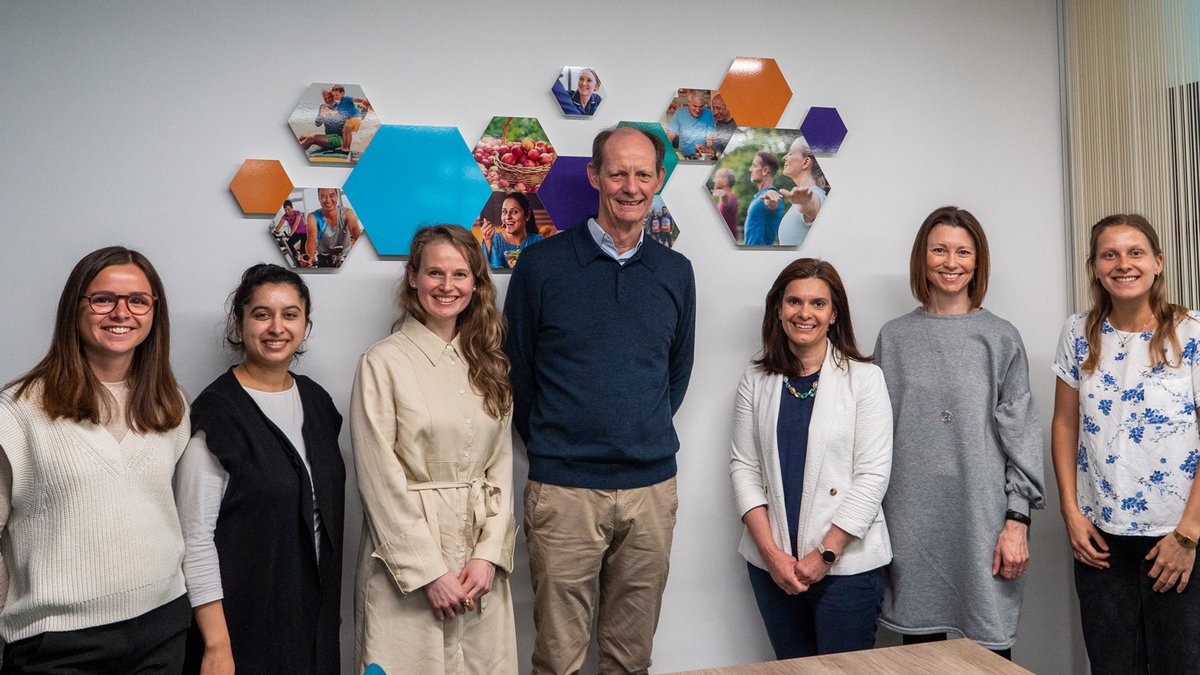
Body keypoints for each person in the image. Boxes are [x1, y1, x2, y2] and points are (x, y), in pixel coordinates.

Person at [504, 126, 696, 674]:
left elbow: (676, 373)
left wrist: (637, 427)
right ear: (594, 176)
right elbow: (518, 371)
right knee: (558, 659)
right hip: (564, 491)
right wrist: (561, 439)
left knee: (630, 660)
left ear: (659, 180)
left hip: (651, 491)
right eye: (617, 172)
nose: (630, 186)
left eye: (642, 174)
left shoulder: (676, 273)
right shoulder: (541, 266)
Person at [0, 246, 191, 672]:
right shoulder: (17, 412)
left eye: (137, 300)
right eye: (103, 299)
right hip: (58, 645)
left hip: (163, 628)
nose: (121, 313)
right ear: (76, 307)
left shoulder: (170, 405)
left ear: (154, 311)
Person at [874, 207, 1045, 659]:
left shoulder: (1001, 338)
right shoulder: (893, 339)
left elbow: (1022, 439)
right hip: (910, 521)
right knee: (921, 657)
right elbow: (874, 438)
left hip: (984, 519)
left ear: (978, 261)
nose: (951, 262)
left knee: (989, 655)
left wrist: (1017, 521)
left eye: (963, 251)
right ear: (922, 258)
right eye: (940, 250)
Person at [351, 224, 517, 674]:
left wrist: (488, 556)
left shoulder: (491, 363)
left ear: (476, 284)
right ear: (412, 277)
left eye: (460, 275)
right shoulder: (382, 362)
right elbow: (378, 479)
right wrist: (429, 572)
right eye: (435, 274)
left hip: (478, 562)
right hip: (405, 565)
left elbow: (500, 467)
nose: (447, 287)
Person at [176, 264, 345, 674]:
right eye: (261, 314)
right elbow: (194, 542)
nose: (276, 327)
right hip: (242, 628)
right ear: (240, 322)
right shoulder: (216, 415)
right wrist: (217, 646)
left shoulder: (318, 402)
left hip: (313, 620)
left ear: (306, 324)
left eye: (290, 314)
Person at [1051, 214, 1200, 674]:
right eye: (1109, 254)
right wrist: (1071, 515)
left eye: (1135, 253)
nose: (1123, 264)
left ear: (1158, 262)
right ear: (1095, 267)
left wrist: (1188, 534)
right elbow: (1064, 425)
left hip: (1177, 537)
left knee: (1179, 665)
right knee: (1113, 666)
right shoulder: (1079, 333)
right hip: (1100, 539)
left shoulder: (1192, 332)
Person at [730, 258, 892, 659]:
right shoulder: (756, 379)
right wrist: (772, 556)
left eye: (818, 303)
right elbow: (744, 468)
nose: (805, 313)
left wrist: (825, 555)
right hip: (774, 568)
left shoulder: (865, 379)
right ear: (778, 309)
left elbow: (873, 476)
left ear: (834, 313)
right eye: (794, 302)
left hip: (847, 567)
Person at [768, 137, 829, 246]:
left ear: (805, 162)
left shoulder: (816, 195)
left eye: (790, 153)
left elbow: (813, 205)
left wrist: (807, 204)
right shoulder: (800, 199)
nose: (784, 157)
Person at [480, 192, 545, 270]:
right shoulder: (494, 240)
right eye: (504, 211)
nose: (507, 217)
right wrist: (487, 242)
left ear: (527, 215)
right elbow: (483, 271)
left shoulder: (538, 242)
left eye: (514, 211)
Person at [304, 187, 362, 268]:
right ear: (319, 198)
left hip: (346, 257)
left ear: (337, 196)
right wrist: (310, 255)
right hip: (324, 259)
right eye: (323, 196)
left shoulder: (347, 212)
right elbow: (311, 236)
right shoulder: (313, 216)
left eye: (332, 195)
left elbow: (354, 228)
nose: (328, 200)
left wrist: (361, 247)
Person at [744, 151, 784, 246]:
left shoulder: (773, 196)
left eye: (754, 166)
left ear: (765, 170)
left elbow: (772, 204)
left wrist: (771, 194)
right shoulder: (759, 196)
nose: (750, 169)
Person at [665, 89, 716, 159]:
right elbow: (669, 137)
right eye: (695, 106)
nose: (698, 110)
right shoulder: (680, 113)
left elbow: (710, 138)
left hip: (701, 157)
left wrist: (706, 148)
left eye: (701, 107)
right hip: (683, 157)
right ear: (688, 103)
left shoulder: (708, 113)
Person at [712, 167, 740, 239]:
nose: (714, 180)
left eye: (717, 177)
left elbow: (728, 203)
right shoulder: (722, 199)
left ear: (725, 180)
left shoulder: (731, 197)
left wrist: (724, 196)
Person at [709, 93, 737, 157]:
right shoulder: (719, 123)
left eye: (718, 108)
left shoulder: (738, 122)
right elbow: (717, 149)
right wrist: (707, 150)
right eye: (713, 108)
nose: (715, 112)